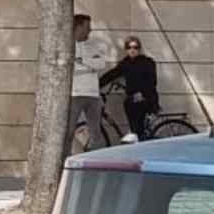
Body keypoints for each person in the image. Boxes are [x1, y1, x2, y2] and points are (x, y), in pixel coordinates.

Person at [100, 36, 158, 143]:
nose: (132, 50)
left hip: (147, 97)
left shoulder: (147, 62)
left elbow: (152, 81)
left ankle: (134, 133)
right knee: (130, 101)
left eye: (135, 47)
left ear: (139, 49)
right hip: (134, 97)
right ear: (126, 49)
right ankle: (136, 134)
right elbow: (112, 74)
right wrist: (97, 84)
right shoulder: (126, 63)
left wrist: (142, 93)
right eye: (129, 47)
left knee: (130, 103)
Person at [68, 14, 112, 153]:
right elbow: (70, 68)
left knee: (96, 133)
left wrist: (81, 60)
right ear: (78, 27)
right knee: (68, 131)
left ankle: (97, 162)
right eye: (87, 27)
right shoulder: (68, 46)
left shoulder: (94, 45)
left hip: (93, 95)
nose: (90, 30)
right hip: (75, 94)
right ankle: (64, 162)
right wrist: (89, 64)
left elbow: (100, 64)